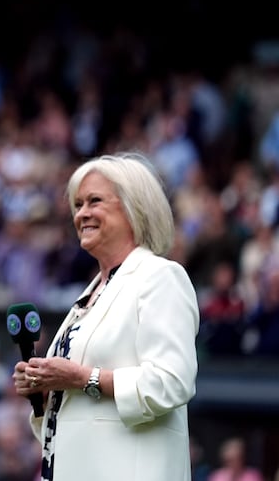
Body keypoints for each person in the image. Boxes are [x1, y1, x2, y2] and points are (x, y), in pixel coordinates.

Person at [11, 151, 199, 481]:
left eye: (94, 201)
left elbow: (172, 382)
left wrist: (84, 378)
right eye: (78, 205)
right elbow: (80, 412)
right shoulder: (91, 293)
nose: (82, 214)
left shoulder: (160, 277)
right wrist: (45, 391)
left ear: (134, 208)